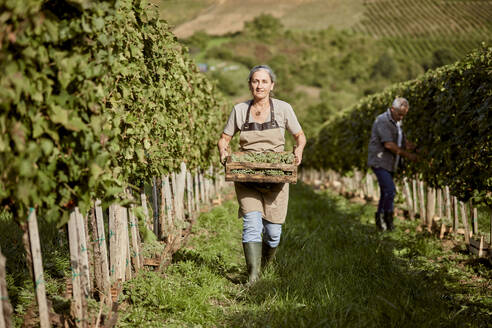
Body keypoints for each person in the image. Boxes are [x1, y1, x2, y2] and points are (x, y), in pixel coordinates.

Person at [217, 65, 306, 284]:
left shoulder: (284, 109)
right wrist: (223, 151)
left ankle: (265, 266)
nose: (259, 86)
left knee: (273, 232)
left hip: (276, 176)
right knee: (252, 224)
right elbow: (224, 138)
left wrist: (298, 150)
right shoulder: (239, 110)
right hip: (247, 175)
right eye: (255, 81)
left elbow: (300, 136)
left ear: (272, 85)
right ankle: (253, 277)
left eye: (264, 81)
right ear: (250, 84)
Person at [367, 97, 417, 231]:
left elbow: (402, 142)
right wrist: (409, 156)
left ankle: (384, 222)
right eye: (399, 114)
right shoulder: (383, 121)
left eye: (403, 115)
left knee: (386, 192)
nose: (401, 117)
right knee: (390, 190)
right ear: (392, 109)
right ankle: (385, 220)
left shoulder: (397, 122)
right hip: (380, 161)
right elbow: (388, 144)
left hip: (390, 163)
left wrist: (416, 148)